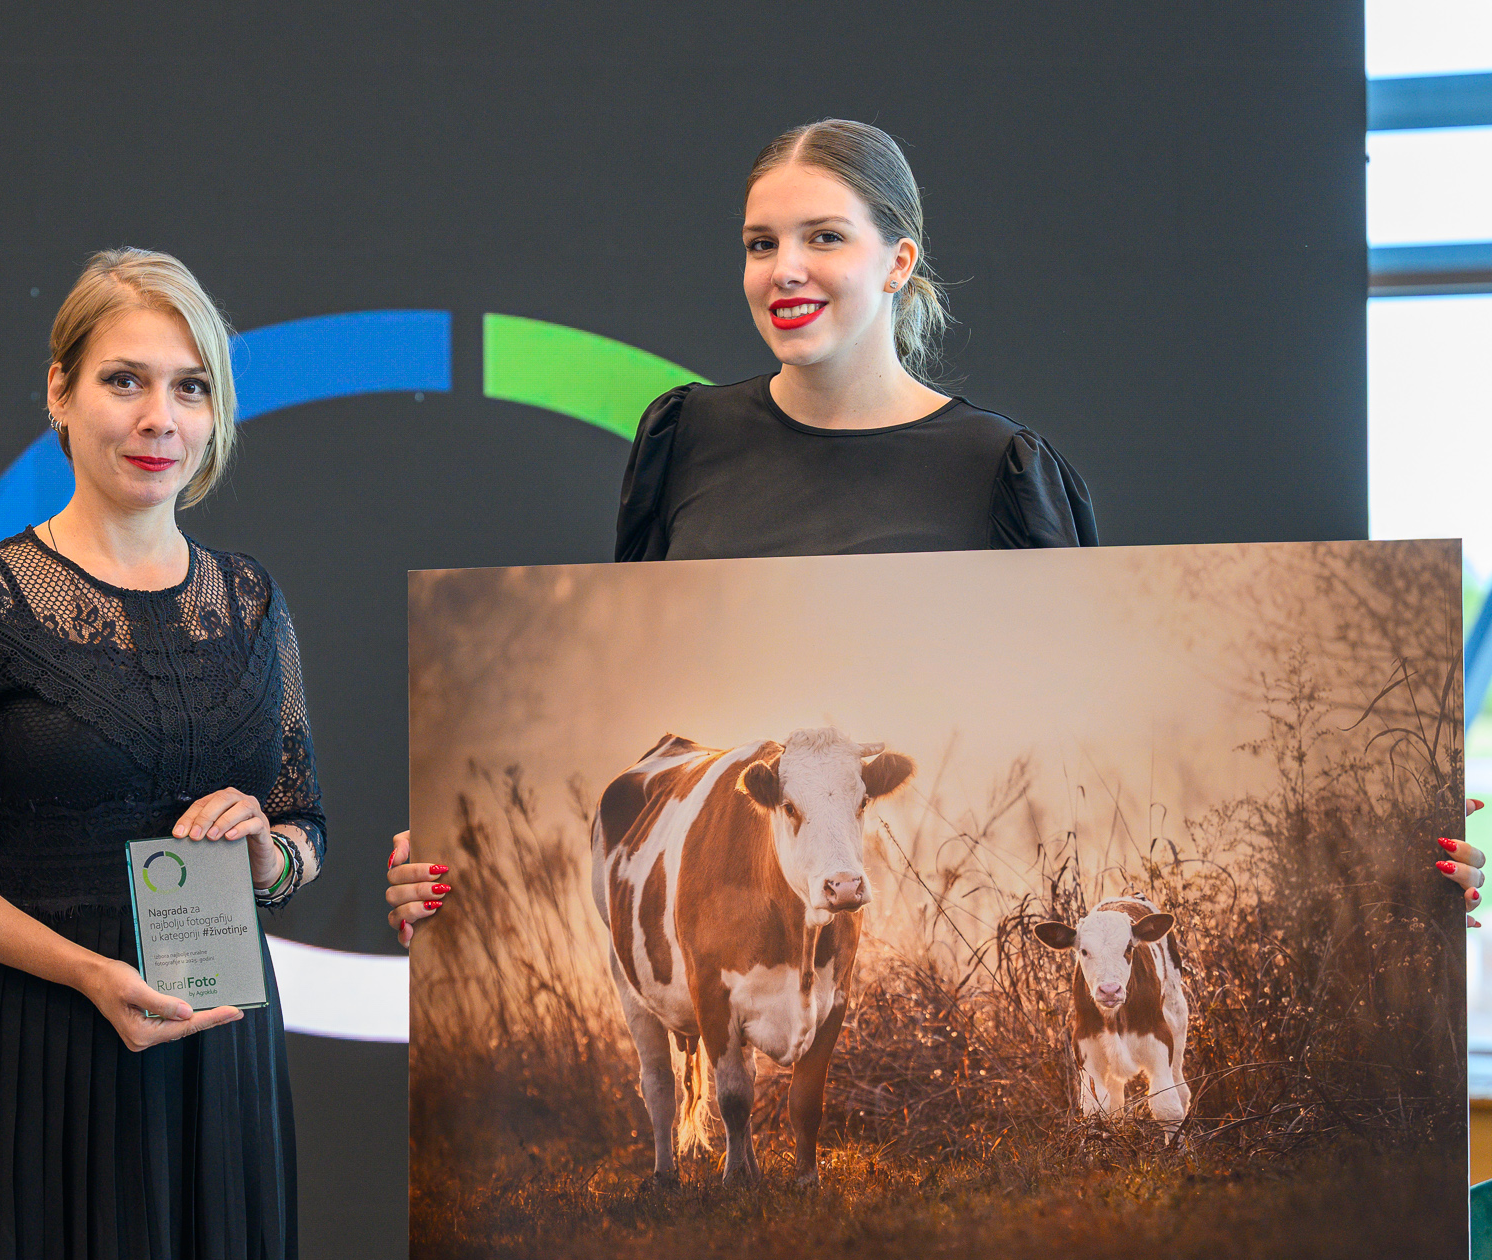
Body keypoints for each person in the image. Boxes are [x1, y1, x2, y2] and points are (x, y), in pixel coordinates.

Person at [383, 118, 1482, 940]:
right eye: (761, 243)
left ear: (898, 261)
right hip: (726, 896)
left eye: (823, 237)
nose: (784, 269)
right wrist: (443, 871)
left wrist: (1405, 867)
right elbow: (642, 709)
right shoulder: (684, 439)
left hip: (922, 899)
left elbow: (1073, 720)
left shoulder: (1001, 470)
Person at [0, 248, 322, 1260]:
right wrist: (83, 971)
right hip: (38, 1053)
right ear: (59, 392)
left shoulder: (251, 601)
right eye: (124, 380)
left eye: (189, 387)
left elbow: (305, 824)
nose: (159, 418)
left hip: (220, 1059)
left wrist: (269, 853)